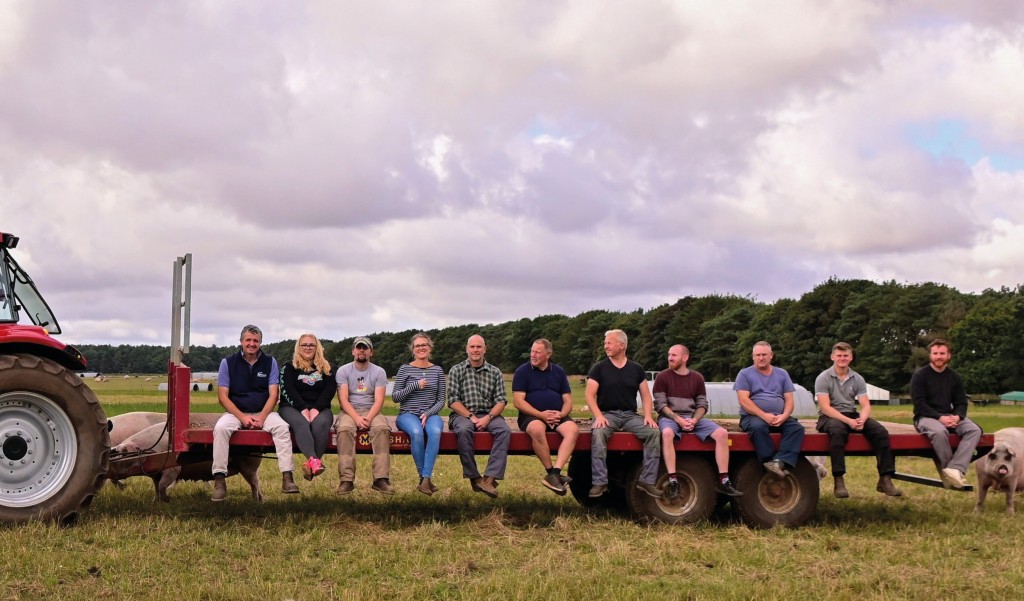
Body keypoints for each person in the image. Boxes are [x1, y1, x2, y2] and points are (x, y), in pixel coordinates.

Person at [211, 324, 299, 501]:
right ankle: (219, 479)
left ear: (260, 343)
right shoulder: (227, 363)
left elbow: (274, 394)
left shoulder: (270, 362)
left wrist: (262, 418)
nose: (252, 344)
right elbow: (223, 397)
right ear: (241, 341)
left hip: (263, 412)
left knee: (282, 427)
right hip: (236, 412)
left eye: (255, 341)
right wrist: (242, 417)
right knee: (220, 429)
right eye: (248, 340)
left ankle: (287, 477)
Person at [653, 344, 742, 499]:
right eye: (669, 354)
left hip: (692, 417)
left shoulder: (697, 378)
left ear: (685, 358)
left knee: (721, 433)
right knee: (666, 434)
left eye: (674, 355)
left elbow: (702, 404)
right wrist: (678, 419)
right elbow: (660, 405)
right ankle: (673, 480)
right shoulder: (662, 377)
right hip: (670, 417)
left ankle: (724, 480)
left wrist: (694, 420)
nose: (670, 358)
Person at [814, 342, 901, 498]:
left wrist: (862, 418)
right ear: (832, 357)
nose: (842, 358)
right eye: (839, 355)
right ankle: (839, 480)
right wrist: (848, 422)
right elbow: (825, 407)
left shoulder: (857, 378)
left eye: (845, 355)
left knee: (880, 432)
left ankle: (885, 478)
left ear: (851, 357)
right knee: (838, 431)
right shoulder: (823, 378)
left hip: (851, 413)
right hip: (830, 416)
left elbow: (865, 405)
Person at [585, 329, 662, 499]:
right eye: (605, 343)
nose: (606, 346)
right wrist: (598, 416)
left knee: (653, 433)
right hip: (606, 414)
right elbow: (589, 395)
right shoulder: (599, 368)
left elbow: (646, 396)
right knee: (598, 434)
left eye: (609, 343)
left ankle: (647, 481)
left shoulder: (636, 369)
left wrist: (648, 416)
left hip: (630, 415)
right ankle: (600, 482)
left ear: (622, 345)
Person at [911, 338, 982, 489]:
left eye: (942, 353)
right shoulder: (920, 376)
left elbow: (961, 403)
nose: (939, 356)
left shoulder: (954, 377)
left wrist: (957, 416)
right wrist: (940, 418)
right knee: (939, 432)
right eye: (935, 353)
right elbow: (919, 404)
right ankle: (949, 471)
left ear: (948, 355)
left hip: (950, 415)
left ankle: (955, 468)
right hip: (926, 417)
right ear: (930, 355)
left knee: (974, 430)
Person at [512, 338, 580, 495]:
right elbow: (518, 401)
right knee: (536, 428)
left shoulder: (558, 372)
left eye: (537, 352)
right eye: (532, 351)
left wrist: (561, 414)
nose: (533, 355)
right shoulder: (522, 371)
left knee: (573, 430)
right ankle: (550, 471)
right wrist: (540, 415)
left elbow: (568, 400)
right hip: (531, 415)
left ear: (548, 354)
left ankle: (555, 473)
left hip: (557, 414)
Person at [447, 334, 510, 498]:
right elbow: (453, 400)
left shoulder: (495, 372)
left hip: (489, 414)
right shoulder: (457, 370)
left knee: (504, 431)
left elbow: (501, 401)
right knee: (463, 431)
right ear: (467, 349)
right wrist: (471, 417)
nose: (475, 350)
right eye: (472, 347)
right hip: (463, 414)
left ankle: (489, 479)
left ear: (484, 349)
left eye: (479, 347)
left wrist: (488, 417)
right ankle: (475, 477)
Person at [734, 341, 805, 478]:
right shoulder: (745, 374)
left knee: (796, 429)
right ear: (753, 356)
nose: (761, 358)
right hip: (753, 416)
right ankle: (767, 460)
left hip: (779, 416)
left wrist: (784, 416)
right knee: (758, 428)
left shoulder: (782, 374)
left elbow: (789, 400)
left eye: (764, 354)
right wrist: (764, 415)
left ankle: (779, 462)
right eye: (758, 355)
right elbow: (743, 400)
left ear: (771, 355)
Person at [335, 336, 393, 495]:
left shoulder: (379, 371)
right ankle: (346, 479)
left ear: (371, 352)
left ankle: (381, 479)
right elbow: (343, 400)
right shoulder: (343, 370)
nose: (361, 350)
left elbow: (379, 400)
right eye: (358, 347)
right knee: (345, 429)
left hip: (372, 409)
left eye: (365, 348)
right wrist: (357, 418)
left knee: (382, 428)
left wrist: (368, 418)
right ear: (353, 351)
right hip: (350, 410)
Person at [392, 332, 446, 496]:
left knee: (435, 432)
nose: (421, 348)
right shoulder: (405, 369)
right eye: (418, 346)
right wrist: (414, 385)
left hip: (431, 415)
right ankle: (424, 478)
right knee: (416, 432)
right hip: (407, 414)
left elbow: (441, 400)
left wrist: (429, 413)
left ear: (430, 348)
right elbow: (396, 397)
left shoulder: (437, 370)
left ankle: (425, 479)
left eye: (424, 345)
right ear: (413, 349)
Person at [279, 333, 337, 481]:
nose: (308, 348)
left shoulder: (327, 367)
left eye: (311, 344)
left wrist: (316, 409)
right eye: (304, 345)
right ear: (299, 347)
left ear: (317, 347)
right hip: (292, 407)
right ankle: (315, 461)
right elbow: (287, 389)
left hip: (320, 407)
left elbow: (330, 390)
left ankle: (311, 464)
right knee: (301, 423)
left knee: (322, 424)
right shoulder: (289, 367)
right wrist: (303, 409)